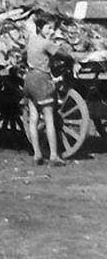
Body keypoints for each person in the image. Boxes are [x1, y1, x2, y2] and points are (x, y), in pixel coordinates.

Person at [24, 14, 82, 166]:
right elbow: (63, 55)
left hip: (29, 79)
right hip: (41, 80)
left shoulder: (31, 40)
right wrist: (73, 60)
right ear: (40, 29)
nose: (51, 31)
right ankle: (54, 156)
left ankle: (37, 154)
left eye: (51, 28)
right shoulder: (45, 43)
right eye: (48, 28)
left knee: (34, 118)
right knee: (49, 118)